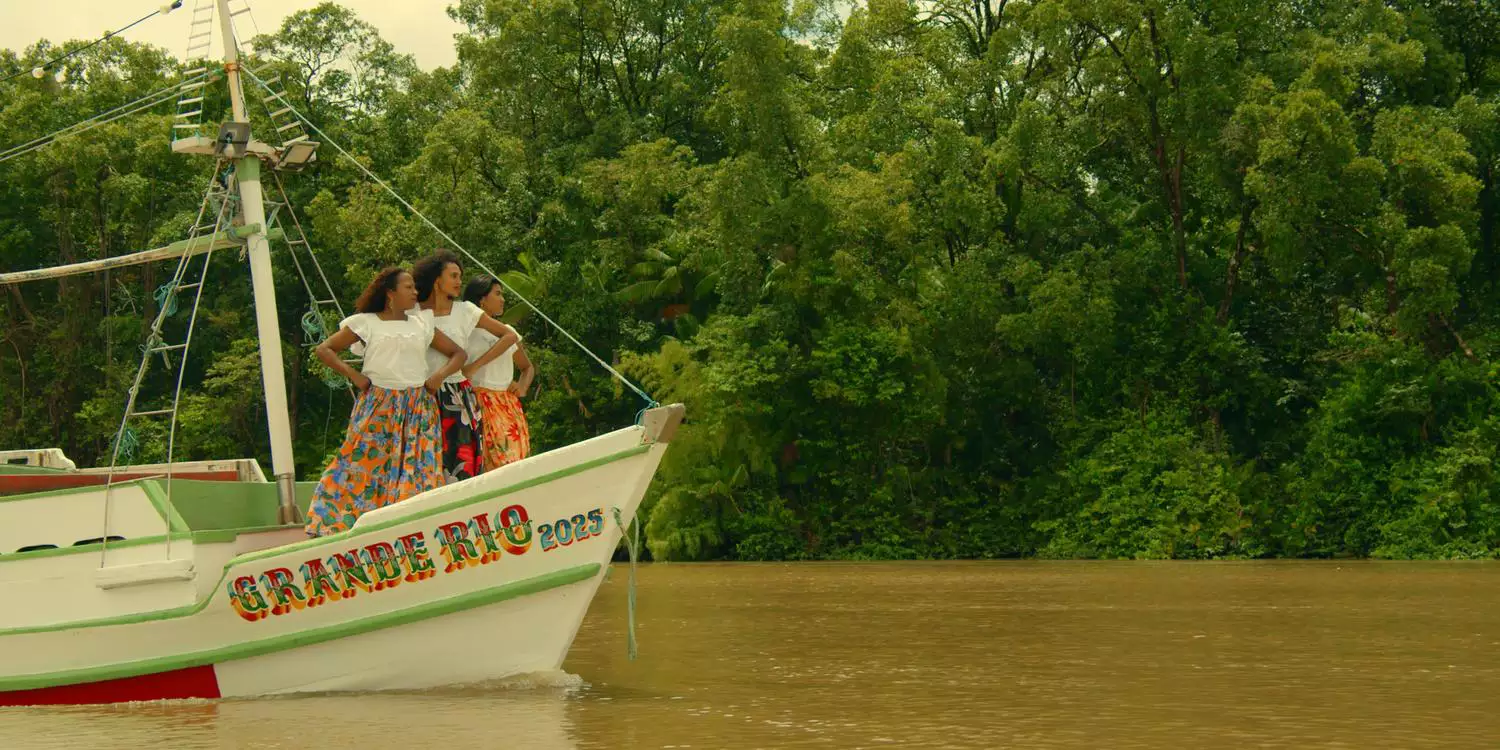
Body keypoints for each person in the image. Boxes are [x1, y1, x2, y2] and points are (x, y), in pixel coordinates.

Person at [303, 267, 467, 537]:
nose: (415, 292)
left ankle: (413, 527)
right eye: (408, 287)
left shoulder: (422, 323)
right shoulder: (365, 322)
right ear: (390, 293)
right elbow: (325, 349)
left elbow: (458, 354)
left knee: (418, 466)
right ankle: (332, 523)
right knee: (362, 462)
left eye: (415, 287)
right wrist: (355, 376)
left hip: (417, 405)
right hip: (380, 403)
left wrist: (438, 376)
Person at [412, 250, 520, 482]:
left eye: (460, 276)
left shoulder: (465, 310)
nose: (459, 281)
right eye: (453, 276)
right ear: (436, 280)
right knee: (423, 459)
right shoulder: (413, 312)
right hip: (420, 392)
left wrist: (474, 366)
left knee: (461, 461)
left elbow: (508, 336)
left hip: (455, 393)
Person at [462, 276, 536, 469]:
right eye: (497, 294)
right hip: (476, 402)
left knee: (514, 461)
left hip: (507, 407)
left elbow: (527, 367)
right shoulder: (463, 332)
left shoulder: (509, 332)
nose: (502, 299)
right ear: (481, 299)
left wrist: (522, 387)